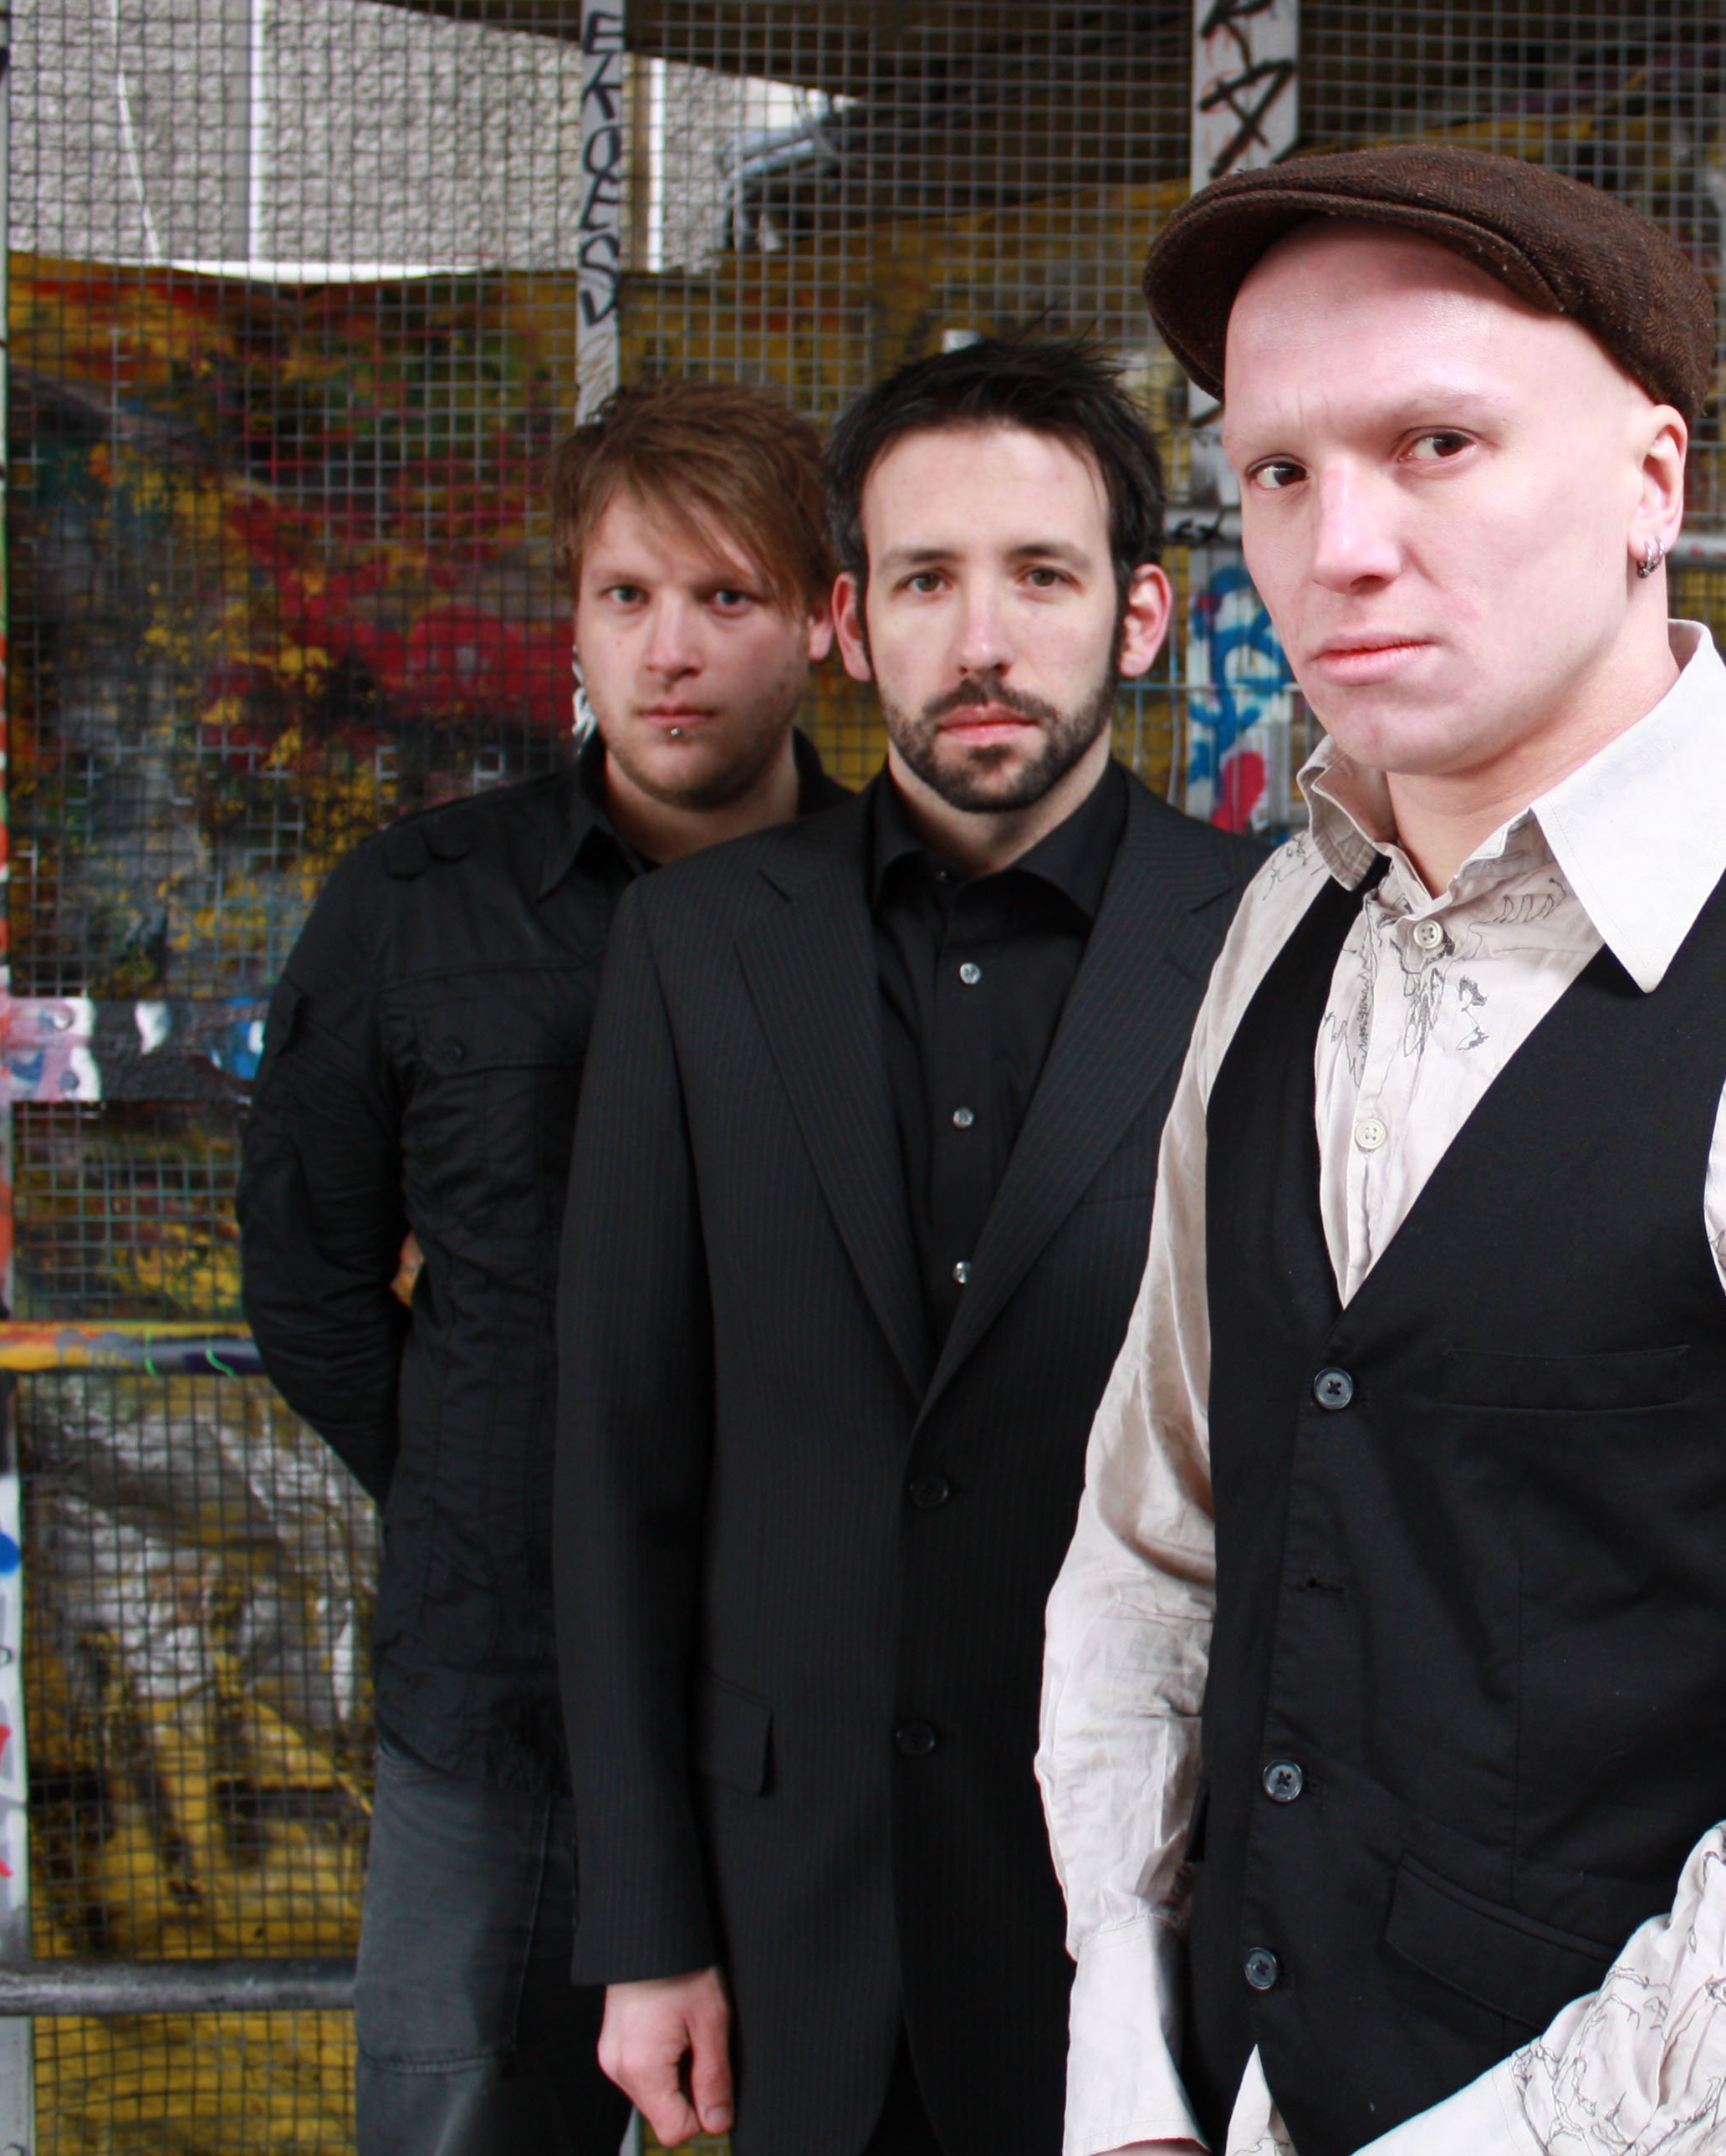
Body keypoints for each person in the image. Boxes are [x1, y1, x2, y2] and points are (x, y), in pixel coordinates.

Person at [1035, 144, 1726, 2156]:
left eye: (1437, 443)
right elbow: (1161, 1529)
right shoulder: (1282, 927)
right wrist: (1128, 2060)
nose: (1338, 544)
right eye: (1277, 468)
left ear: (1655, 480)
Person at [552, 334, 1264, 2156]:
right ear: (852, 624)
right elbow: (620, 1460)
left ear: (1139, 615)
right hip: (795, 1908)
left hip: (1158, 1916)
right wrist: (645, 1928)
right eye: (929, 580)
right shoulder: (694, 950)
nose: (984, 639)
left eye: (1043, 576)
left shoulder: (1278, 939)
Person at [238, 381, 847, 2155]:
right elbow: (307, 1284)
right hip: (497, 1695)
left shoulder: (910, 912)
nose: (671, 652)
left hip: (827, 1704)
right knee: (463, 2121)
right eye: (625, 596)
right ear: (571, 614)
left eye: (727, 597)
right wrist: (493, 1491)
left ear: (824, 619)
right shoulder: (417, 904)